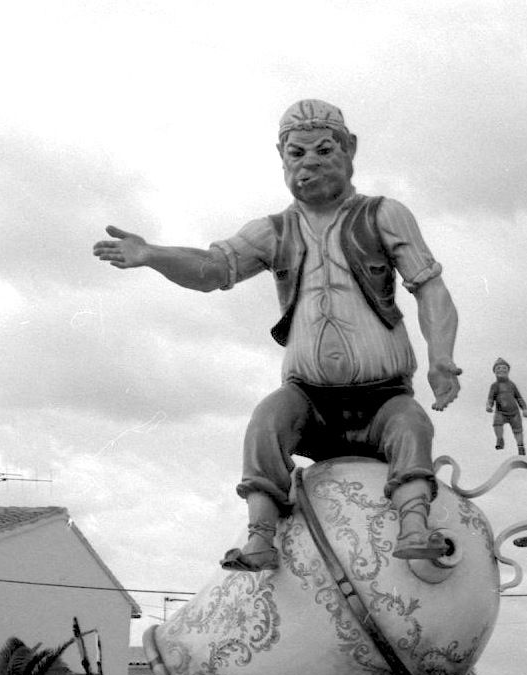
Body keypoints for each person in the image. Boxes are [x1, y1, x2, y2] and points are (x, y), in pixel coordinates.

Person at [93, 99, 461, 572]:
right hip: (309, 402)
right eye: (297, 153)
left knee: (412, 425)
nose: (309, 162)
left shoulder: (384, 215)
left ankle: (414, 525)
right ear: (281, 158)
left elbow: (429, 287)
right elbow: (212, 269)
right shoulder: (273, 231)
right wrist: (152, 254)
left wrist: (441, 359)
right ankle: (260, 537)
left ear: (349, 149)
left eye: (324, 150)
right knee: (266, 421)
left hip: (383, 400)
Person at [486, 358, 527, 454]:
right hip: (500, 412)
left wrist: (525, 409)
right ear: (495, 371)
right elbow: (490, 398)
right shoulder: (495, 386)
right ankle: (500, 439)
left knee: (518, 430)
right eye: (498, 368)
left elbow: (519, 398)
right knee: (497, 424)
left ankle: (520, 446)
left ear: (508, 370)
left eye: (504, 368)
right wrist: (489, 406)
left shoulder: (512, 385)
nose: (501, 370)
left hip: (514, 412)